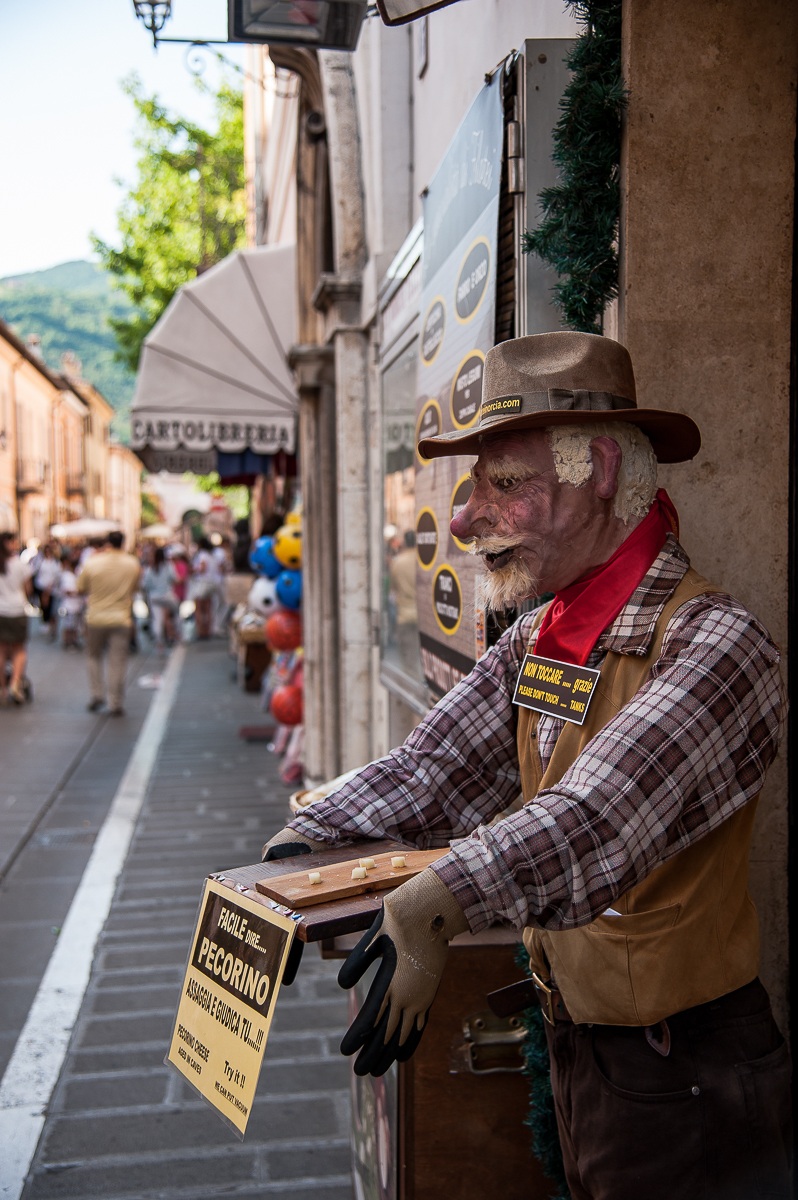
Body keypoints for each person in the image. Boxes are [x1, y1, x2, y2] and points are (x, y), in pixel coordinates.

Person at [263, 332, 789, 1200]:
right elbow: (436, 768)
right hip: (588, 1052)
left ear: (603, 473)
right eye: (478, 486)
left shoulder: (715, 642)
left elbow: (599, 820)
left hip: (687, 1073)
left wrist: (440, 897)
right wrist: (298, 851)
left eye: (505, 484)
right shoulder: (545, 635)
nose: (466, 518)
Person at [77, 531, 141, 715]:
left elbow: (80, 587)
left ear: (107, 543)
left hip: (95, 617)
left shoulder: (93, 562)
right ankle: (115, 702)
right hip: (121, 617)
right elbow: (135, 588)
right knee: (118, 661)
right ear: (123, 543)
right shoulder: (132, 563)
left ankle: (97, 694)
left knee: (93, 656)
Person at [0, 531, 33, 705]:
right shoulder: (19, 564)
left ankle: (2, 688)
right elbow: (28, 589)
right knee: (19, 649)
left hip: (1, 611)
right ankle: (15, 682)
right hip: (17, 610)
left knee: (1, 650)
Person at [142, 546, 178, 653]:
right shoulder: (168, 566)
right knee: (177, 612)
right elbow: (174, 578)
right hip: (167, 595)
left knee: (157, 620)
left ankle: (159, 642)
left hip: (154, 598)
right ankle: (177, 633)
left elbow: (145, 585)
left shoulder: (150, 569)